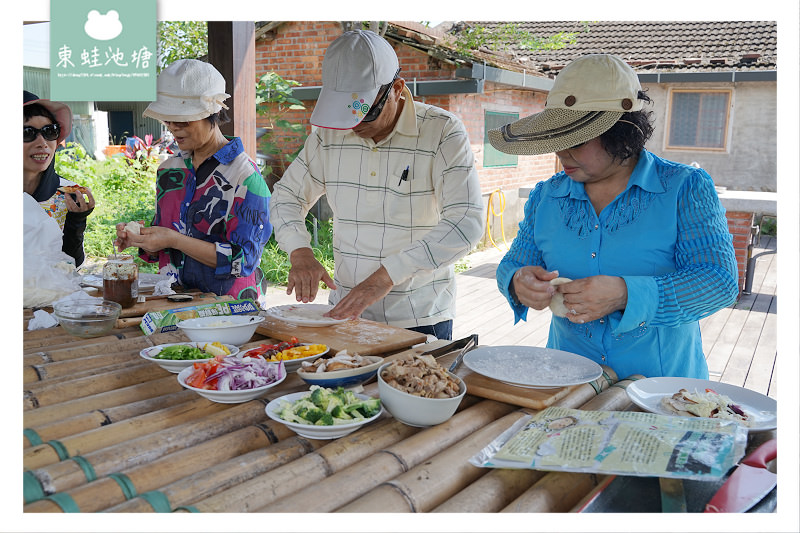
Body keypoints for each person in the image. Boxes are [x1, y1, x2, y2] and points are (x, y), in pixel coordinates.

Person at [489, 54, 739, 379]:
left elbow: (719, 281)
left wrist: (625, 294)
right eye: (556, 138)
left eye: (575, 140)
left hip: (662, 392)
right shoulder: (546, 196)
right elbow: (513, 264)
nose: (561, 152)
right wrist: (518, 281)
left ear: (620, 132)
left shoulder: (684, 189)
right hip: (569, 381)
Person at [269, 30, 484, 340]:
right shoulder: (329, 135)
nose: (354, 125)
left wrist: (386, 276)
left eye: (364, 112)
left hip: (419, 315)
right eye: (345, 115)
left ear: (397, 89)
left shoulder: (443, 131)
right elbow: (286, 196)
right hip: (343, 313)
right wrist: (300, 252)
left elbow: (466, 221)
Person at [114, 59, 272, 302]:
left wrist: (174, 239)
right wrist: (142, 239)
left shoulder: (245, 176)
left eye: (184, 120)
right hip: (174, 300)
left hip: (229, 307)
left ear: (213, 113)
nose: (174, 128)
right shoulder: (169, 171)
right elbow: (166, 244)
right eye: (168, 120)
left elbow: (244, 260)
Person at [23, 91, 95, 266]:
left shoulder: (67, 194)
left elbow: (71, 265)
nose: (42, 143)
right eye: (27, 132)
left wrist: (76, 223)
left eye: (49, 131)